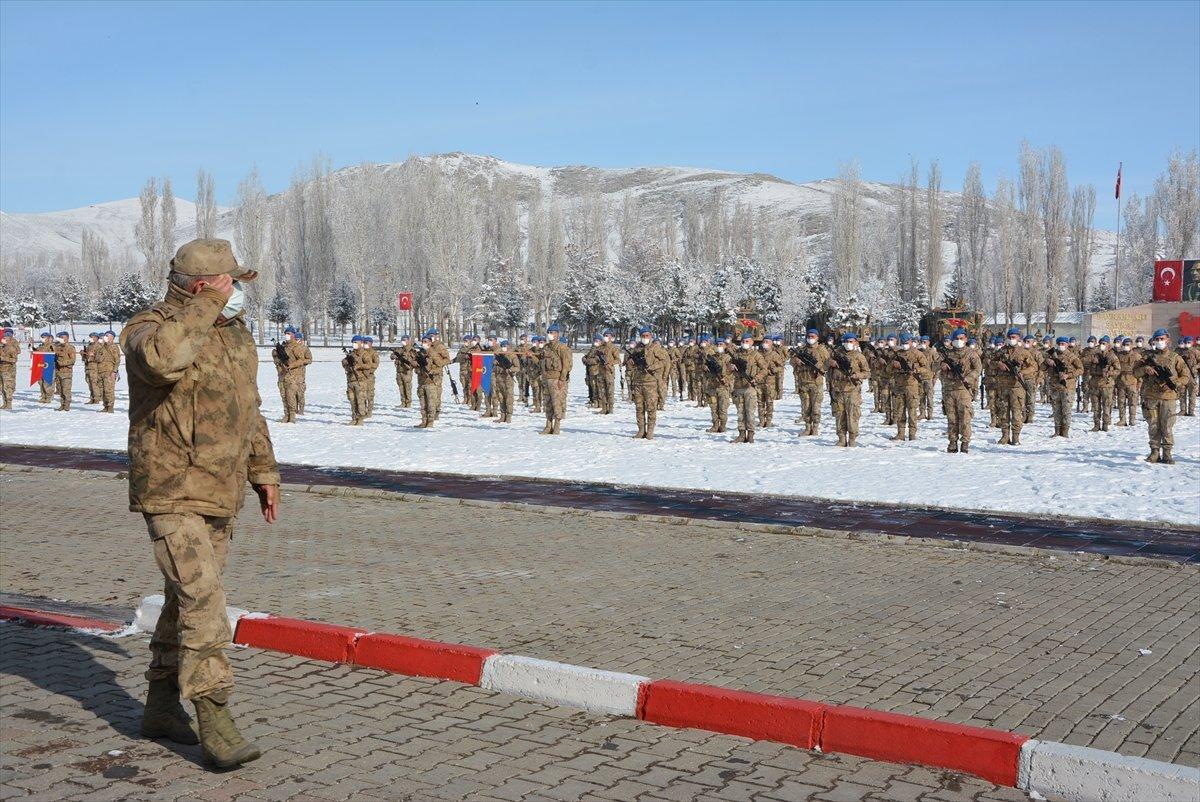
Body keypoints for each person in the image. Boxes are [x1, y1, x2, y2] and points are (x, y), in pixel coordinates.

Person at [121, 237, 279, 770]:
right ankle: (215, 716)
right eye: (229, 281)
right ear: (201, 286)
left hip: (220, 488)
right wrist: (203, 307)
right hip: (170, 488)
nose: (237, 291)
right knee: (204, 598)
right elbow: (163, 363)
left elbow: (248, 408)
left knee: (181, 598)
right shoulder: (147, 329)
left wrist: (264, 471)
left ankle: (161, 707)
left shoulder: (234, 335)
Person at [1138, 329, 1189, 464]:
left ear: (1168, 340)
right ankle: (1154, 452)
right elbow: (1135, 372)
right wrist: (1145, 369)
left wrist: (1174, 383)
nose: (1160, 341)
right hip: (1151, 397)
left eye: (1162, 339)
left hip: (1168, 397)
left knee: (1167, 426)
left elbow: (1186, 376)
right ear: (1154, 341)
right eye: (1157, 339)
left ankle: (1167, 453)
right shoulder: (1147, 357)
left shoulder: (1175, 357)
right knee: (1153, 426)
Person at [992, 328, 1039, 445]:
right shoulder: (1001, 351)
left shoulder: (1023, 352)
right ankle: (1005, 436)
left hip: (1017, 387)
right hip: (1003, 386)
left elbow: (1034, 367)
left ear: (1018, 338)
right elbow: (990, 362)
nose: (1012, 339)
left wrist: (1023, 372)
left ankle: (1016, 437)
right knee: (1003, 412)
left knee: (1017, 413)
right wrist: (999, 364)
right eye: (1010, 337)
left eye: (1014, 337)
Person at [939, 328, 982, 453]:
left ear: (966, 339)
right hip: (949, 390)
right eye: (956, 339)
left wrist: (968, 378)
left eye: (961, 339)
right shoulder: (946, 354)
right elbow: (934, 365)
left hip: (963, 390)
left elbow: (978, 369)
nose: (959, 341)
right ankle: (952, 442)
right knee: (951, 418)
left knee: (965, 418)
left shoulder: (971, 353)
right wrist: (942, 366)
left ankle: (965, 443)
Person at [626, 326, 670, 439]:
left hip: (650, 382)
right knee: (639, 408)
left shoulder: (656, 348)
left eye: (647, 336)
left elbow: (664, 361)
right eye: (643, 336)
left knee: (651, 408)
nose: (645, 338)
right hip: (638, 382)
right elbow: (631, 363)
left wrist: (651, 367)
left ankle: (650, 431)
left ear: (651, 336)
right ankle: (641, 430)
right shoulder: (637, 348)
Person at [828, 332, 870, 447]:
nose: (848, 344)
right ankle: (841, 439)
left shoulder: (859, 356)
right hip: (838, 390)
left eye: (851, 341)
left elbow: (867, 373)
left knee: (852, 416)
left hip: (852, 391)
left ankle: (852, 439)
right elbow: (826, 370)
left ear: (855, 342)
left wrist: (857, 375)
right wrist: (830, 364)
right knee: (839, 415)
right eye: (846, 341)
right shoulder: (836, 354)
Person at [730, 332, 767, 443]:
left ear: (752, 342)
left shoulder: (756, 355)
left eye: (747, 341)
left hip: (750, 388)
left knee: (750, 413)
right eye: (743, 341)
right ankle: (741, 434)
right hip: (738, 387)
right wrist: (730, 367)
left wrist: (756, 378)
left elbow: (764, 369)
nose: (745, 343)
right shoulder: (736, 355)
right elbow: (728, 368)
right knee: (740, 413)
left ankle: (750, 434)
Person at [790, 328, 829, 437]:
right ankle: (807, 427)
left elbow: (828, 363)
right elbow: (791, 360)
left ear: (817, 338)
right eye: (809, 336)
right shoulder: (802, 349)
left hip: (816, 383)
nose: (810, 338)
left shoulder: (822, 350)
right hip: (803, 382)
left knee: (816, 407)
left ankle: (815, 427)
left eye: (813, 337)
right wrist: (796, 361)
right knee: (806, 407)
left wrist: (819, 368)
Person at [1044, 337, 1083, 438]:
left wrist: (1068, 375)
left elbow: (1080, 369)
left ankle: (1065, 432)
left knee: (1066, 410)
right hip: (1055, 386)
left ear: (1067, 345)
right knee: (1056, 410)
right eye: (1060, 343)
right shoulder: (1051, 355)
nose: (1061, 345)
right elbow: (1042, 368)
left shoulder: (1072, 356)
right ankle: (1057, 431)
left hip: (1067, 388)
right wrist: (1047, 361)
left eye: (1063, 344)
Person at [888, 333, 923, 441]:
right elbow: (887, 370)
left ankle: (912, 434)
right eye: (902, 343)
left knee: (912, 411)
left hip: (911, 386)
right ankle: (900, 434)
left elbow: (926, 369)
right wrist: (893, 365)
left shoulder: (917, 354)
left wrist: (916, 369)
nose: (904, 345)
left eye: (906, 343)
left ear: (911, 342)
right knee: (899, 411)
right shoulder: (897, 354)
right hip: (899, 386)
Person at [272, 327, 311, 423]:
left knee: (290, 396)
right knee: (284, 396)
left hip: (292, 376)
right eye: (286, 333)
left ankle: (292, 416)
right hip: (282, 375)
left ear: (293, 334)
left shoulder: (297, 347)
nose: (287, 335)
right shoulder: (283, 347)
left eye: (289, 333)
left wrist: (291, 365)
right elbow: (277, 360)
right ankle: (286, 415)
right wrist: (275, 355)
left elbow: (302, 360)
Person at [412, 330, 450, 428]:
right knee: (423, 402)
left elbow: (442, 363)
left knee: (432, 400)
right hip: (421, 380)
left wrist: (432, 371)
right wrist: (417, 367)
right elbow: (414, 364)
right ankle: (424, 421)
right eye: (423, 341)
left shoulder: (436, 351)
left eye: (426, 341)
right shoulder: (420, 353)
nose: (424, 343)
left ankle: (431, 420)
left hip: (433, 380)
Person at [539, 323, 572, 435]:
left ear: (557, 334)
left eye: (552, 333)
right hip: (546, 379)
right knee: (547, 403)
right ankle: (548, 425)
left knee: (557, 402)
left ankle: (557, 426)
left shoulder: (562, 348)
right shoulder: (546, 347)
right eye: (548, 333)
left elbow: (566, 365)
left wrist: (562, 379)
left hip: (557, 379)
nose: (550, 335)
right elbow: (540, 361)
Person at [1085, 336, 1120, 432]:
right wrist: (1092, 362)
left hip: (1106, 385)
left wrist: (1109, 373)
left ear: (1108, 345)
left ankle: (1105, 424)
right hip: (1095, 384)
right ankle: (1096, 425)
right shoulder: (1094, 355)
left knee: (1106, 406)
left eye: (1104, 343)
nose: (1102, 345)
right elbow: (1084, 364)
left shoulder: (1112, 356)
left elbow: (1118, 370)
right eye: (1101, 343)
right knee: (1096, 407)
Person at [700, 335, 733, 434]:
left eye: (721, 344)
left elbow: (731, 373)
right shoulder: (711, 358)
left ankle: (722, 426)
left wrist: (725, 379)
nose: (719, 346)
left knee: (722, 408)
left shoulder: (728, 358)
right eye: (718, 344)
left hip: (723, 387)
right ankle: (715, 426)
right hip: (712, 387)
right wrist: (705, 368)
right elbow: (706, 372)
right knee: (713, 408)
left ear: (725, 346)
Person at [1114, 337, 1141, 426]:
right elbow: (1116, 368)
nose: (1126, 346)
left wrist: (1139, 383)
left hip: (1132, 381)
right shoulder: (1119, 355)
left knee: (1132, 402)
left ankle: (1132, 419)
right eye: (1124, 345)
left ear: (1132, 345)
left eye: (1128, 345)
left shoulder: (1136, 356)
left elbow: (1140, 370)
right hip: (1121, 381)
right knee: (1121, 402)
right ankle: (1122, 420)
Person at [492, 340, 520, 423]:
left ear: (509, 346)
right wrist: (495, 362)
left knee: (509, 398)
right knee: (501, 398)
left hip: (508, 379)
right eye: (502, 346)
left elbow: (517, 367)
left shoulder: (512, 356)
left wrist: (511, 370)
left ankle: (508, 416)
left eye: (505, 346)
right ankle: (502, 415)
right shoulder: (499, 355)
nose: (504, 347)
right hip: (499, 379)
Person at [342, 336, 368, 425]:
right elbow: (344, 363)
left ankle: (360, 419)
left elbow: (369, 365)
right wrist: (346, 362)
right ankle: (354, 418)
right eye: (353, 342)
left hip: (360, 380)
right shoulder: (351, 354)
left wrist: (358, 366)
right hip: (350, 380)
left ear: (361, 342)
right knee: (352, 401)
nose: (354, 344)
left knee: (360, 400)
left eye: (356, 342)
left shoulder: (364, 354)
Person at [756, 335, 780, 428]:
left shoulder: (774, 355)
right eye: (764, 342)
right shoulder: (758, 354)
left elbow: (781, 367)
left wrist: (774, 370)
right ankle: (761, 421)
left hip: (770, 382)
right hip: (760, 381)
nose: (765, 344)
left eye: (767, 342)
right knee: (760, 401)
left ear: (771, 343)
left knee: (769, 402)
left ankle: (769, 420)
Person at [97, 330, 121, 413]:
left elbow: (117, 360)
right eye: (105, 335)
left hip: (109, 372)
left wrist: (114, 372)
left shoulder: (113, 347)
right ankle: (105, 406)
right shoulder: (102, 347)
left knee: (109, 390)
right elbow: (97, 358)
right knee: (103, 390)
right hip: (101, 371)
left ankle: (110, 407)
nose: (105, 337)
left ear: (112, 338)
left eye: (107, 336)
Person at [596, 330, 620, 414]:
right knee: (602, 390)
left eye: (607, 335)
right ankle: (604, 408)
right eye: (605, 335)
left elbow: (618, 360)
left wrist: (610, 363)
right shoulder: (600, 347)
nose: (606, 337)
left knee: (610, 391)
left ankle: (610, 408)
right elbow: (595, 357)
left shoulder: (613, 348)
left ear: (611, 337)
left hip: (609, 372)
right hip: (601, 371)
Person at [51, 332, 76, 411]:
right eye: (60, 337)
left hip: (66, 372)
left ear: (67, 338)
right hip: (59, 372)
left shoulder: (70, 348)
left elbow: (72, 360)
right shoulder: (58, 347)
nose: (61, 338)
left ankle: (67, 405)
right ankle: (62, 404)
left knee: (66, 390)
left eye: (62, 337)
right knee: (61, 390)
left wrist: (62, 363)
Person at [390, 334, 415, 408]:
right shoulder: (399, 349)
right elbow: (392, 356)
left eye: (405, 340)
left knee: (407, 387)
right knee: (401, 387)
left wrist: (404, 356)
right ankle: (403, 402)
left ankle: (408, 402)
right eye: (402, 340)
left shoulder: (411, 350)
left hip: (407, 371)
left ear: (408, 340)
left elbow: (413, 359)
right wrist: (395, 355)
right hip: (399, 371)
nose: (403, 342)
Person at [31, 331, 54, 403]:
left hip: (49, 367)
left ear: (48, 338)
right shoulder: (41, 346)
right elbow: (37, 352)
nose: (42, 339)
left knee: (48, 382)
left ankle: (49, 397)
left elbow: (54, 354)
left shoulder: (51, 346)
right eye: (42, 337)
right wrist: (32, 347)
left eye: (44, 337)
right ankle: (43, 396)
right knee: (41, 382)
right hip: (41, 366)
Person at [1176, 336, 1197, 416]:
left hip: (1192, 376)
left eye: (1189, 342)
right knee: (1182, 393)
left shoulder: (1195, 351)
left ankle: (1191, 411)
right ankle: (1183, 410)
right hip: (1182, 375)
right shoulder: (1179, 352)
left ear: (1192, 342)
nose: (1187, 344)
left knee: (1192, 394)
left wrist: (1195, 367)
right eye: (1186, 342)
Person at [583, 334, 604, 409]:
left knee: (598, 388)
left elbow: (596, 360)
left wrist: (587, 360)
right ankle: (594, 401)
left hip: (597, 372)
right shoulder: (592, 349)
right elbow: (586, 357)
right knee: (592, 387)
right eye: (595, 341)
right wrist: (585, 359)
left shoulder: (601, 350)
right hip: (590, 371)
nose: (596, 342)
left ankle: (600, 402)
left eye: (597, 341)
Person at [0, 327, 19, 409]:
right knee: (2, 387)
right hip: (1, 369)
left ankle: (9, 404)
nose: (4, 337)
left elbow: (14, 359)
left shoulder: (12, 347)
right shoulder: (2, 346)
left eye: (6, 336)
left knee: (8, 387)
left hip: (9, 370)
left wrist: (3, 358)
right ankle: (5, 403)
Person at [82, 332, 102, 404]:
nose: (91, 338)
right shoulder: (89, 346)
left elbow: (100, 358)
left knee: (94, 383)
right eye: (90, 337)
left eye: (92, 337)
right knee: (89, 382)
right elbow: (85, 357)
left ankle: (96, 398)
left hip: (94, 367)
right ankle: (92, 398)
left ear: (96, 338)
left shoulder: (99, 346)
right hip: (88, 367)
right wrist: (83, 354)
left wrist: (92, 356)